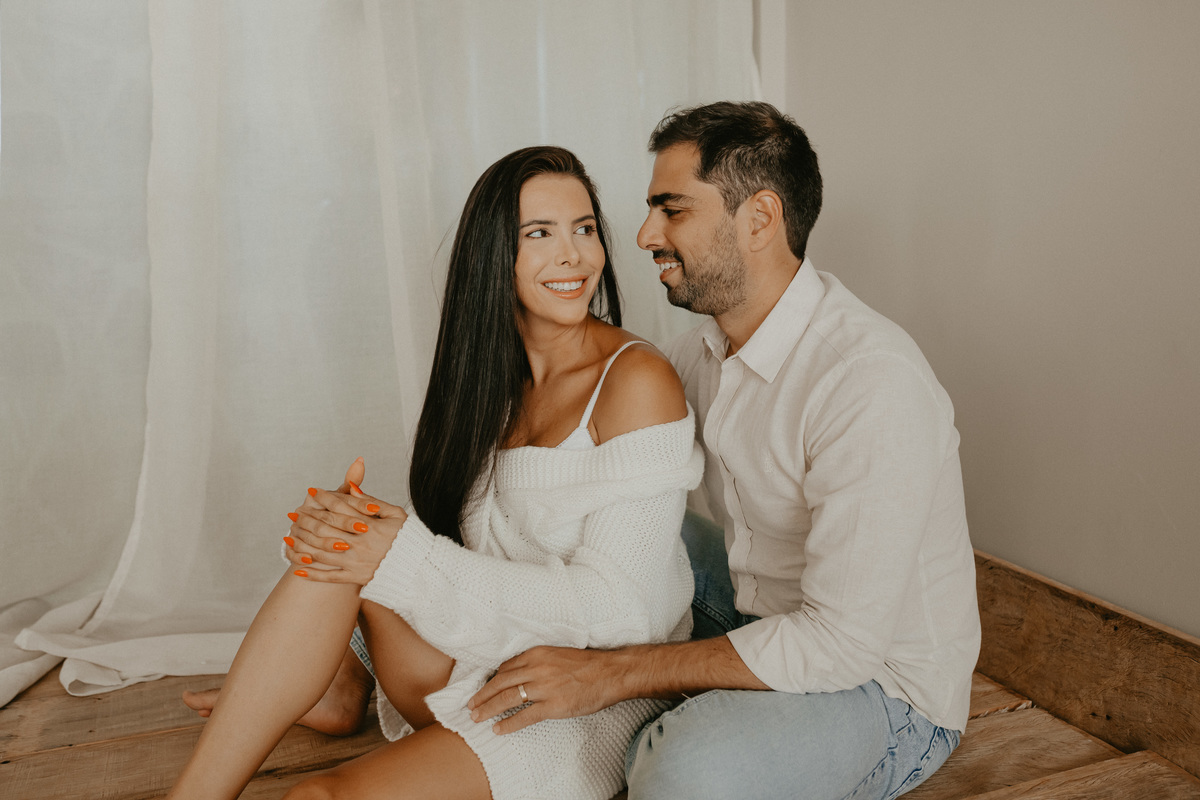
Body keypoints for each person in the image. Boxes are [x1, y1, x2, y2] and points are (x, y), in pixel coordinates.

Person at [467, 102, 982, 799]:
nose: (645, 235)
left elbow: (838, 645)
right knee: (570, 514)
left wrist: (611, 675)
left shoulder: (869, 380)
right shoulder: (695, 354)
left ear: (759, 219)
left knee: (683, 770)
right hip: (748, 607)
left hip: (879, 685)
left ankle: (660, 730)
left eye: (672, 209)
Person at [168, 145, 703, 800]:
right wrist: (366, 538)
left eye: (584, 229)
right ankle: (293, 719)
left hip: (580, 699)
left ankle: (325, 687)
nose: (574, 255)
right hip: (481, 657)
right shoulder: (491, 379)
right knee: (347, 533)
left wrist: (403, 556)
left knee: (313, 798)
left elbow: (621, 613)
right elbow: (457, 547)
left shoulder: (636, 381)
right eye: (539, 233)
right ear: (492, 256)